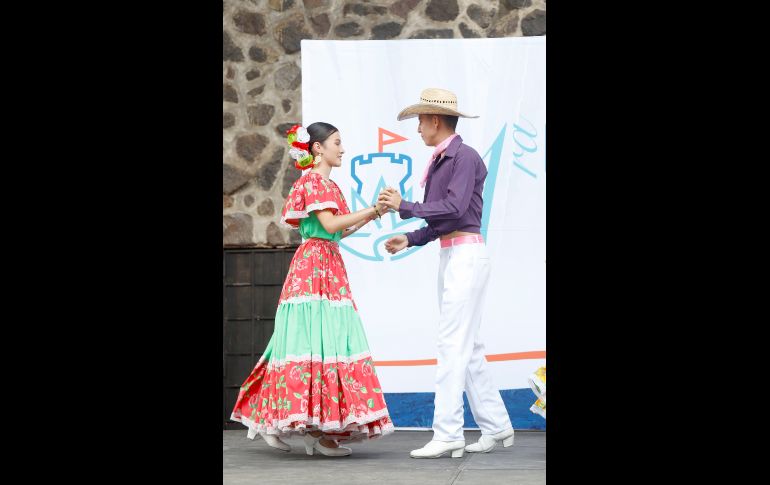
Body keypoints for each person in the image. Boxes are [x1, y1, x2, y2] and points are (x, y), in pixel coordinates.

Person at [231, 122, 394, 457]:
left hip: (329, 263)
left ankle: (317, 432)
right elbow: (331, 225)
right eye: (337, 142)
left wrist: (369, 216)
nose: (342, 148)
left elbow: (337, 232)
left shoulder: (330, 187)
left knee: (324, 345)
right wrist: (374, 209)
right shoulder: (313, 182)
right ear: (317, 148)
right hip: (313, 267)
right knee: (303, 343)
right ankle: (277, 421)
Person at [379, 88, 514, 458]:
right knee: (468, 347)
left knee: (452, 344)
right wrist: (409, 238)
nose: (419, 128)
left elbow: (453, 208)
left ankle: (448, 432)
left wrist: (405, 206)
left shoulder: (463, 157)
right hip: (453, 255)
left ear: (435, 120)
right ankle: (498, 426)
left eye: (421, 121)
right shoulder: (443, 160)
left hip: (466, 257)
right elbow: (447, 218)